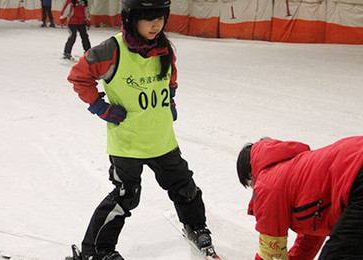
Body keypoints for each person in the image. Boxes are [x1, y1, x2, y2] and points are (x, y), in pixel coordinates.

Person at [67, 0, 218, 259]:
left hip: (162, 139)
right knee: (125, 196)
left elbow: (171, 76)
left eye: (160, 17)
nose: (156, 24)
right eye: (148, 18)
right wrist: (99, 106)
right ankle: (97, 250)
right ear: (131, 18)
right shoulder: (111, 50)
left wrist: (169, 98)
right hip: (127, 142)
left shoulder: (164, 48)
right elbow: (79, 76)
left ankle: (195, 226)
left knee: (185, 186)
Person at [236, 136, 363, 260]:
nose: (252, 188)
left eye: (248, 183)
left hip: (356, 174)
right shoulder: (294, 172)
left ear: (251, 174)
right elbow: (311, 238)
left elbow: (270, 253)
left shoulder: (267, 185)